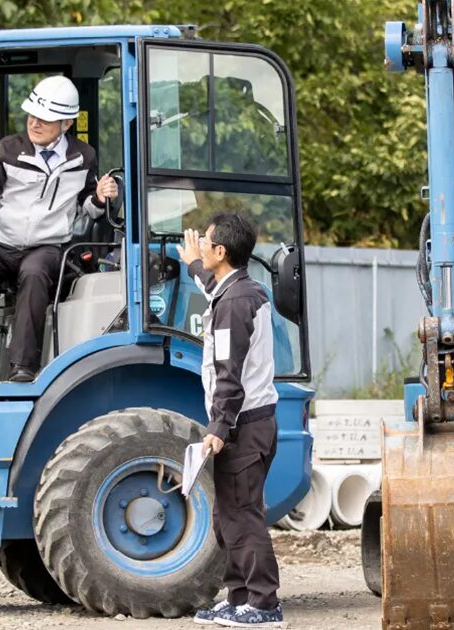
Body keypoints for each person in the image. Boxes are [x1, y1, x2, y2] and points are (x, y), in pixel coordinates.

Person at [0, 75, 118, 383]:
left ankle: (22, 368)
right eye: (32, 115)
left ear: (66, 124)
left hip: (47, 248)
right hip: (2, 245)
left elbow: (87, 207)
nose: (35, 123)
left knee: (33, 273)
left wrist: (99, 197)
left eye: (45, 118)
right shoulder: (7, 150)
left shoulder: (83, 157)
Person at [176, 214, 283, 628]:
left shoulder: (235, 304)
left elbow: (229, 373)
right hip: (249, 423)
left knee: (242, 515)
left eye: (205, 242)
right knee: (229, 515)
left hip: (243, 425)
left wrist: (218, 428)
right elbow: (210, 283)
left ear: (221, 252)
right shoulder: (236, 290)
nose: (200, 244)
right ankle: (239, 597)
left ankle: (263, 603)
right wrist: (191, 264)